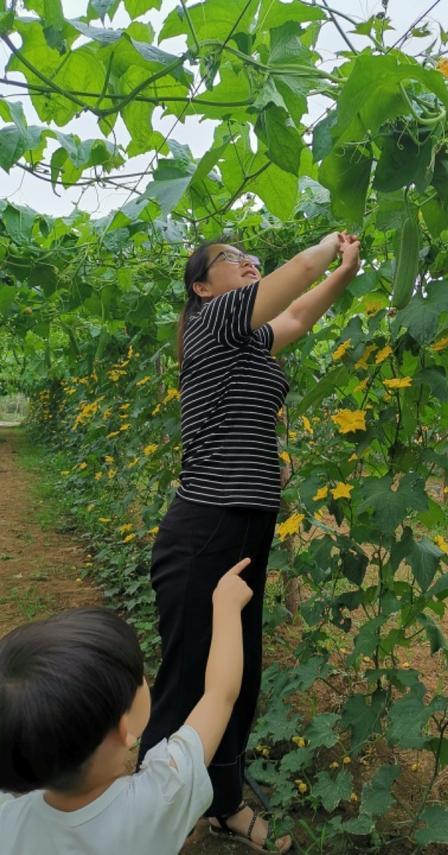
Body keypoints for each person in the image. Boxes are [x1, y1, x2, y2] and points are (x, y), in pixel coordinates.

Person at [137, 230, 361, 851]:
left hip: (245, 526)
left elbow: (295, 314)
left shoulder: (247, 340)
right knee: (188, 678)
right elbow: (285, 286)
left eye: (250, 259)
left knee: (240, 672)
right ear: (202, 287)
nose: (248, 264)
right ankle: (143, 818)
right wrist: (324, 247)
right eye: (234, 261)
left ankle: (223, 802)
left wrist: (342, 274)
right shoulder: (210, 323)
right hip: (206, 527)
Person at [0, 557, 254, 854]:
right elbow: (219, 694)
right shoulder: (158, 800)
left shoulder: (10, 818)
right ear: (124, 728)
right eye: (138, 675)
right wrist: (226, 606)